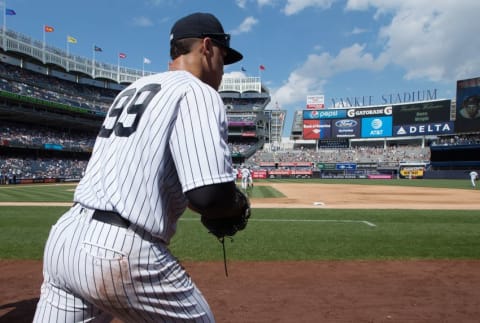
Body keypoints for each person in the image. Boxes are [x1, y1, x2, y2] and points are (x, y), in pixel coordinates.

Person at [33, 12, 250, 322]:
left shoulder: (132, 89)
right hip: (120, 250)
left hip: (64, 240)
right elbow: (209, 197)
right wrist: (236, 205)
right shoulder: (198, 91)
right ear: (206, 47)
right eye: (223, 56)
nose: (222, 68)